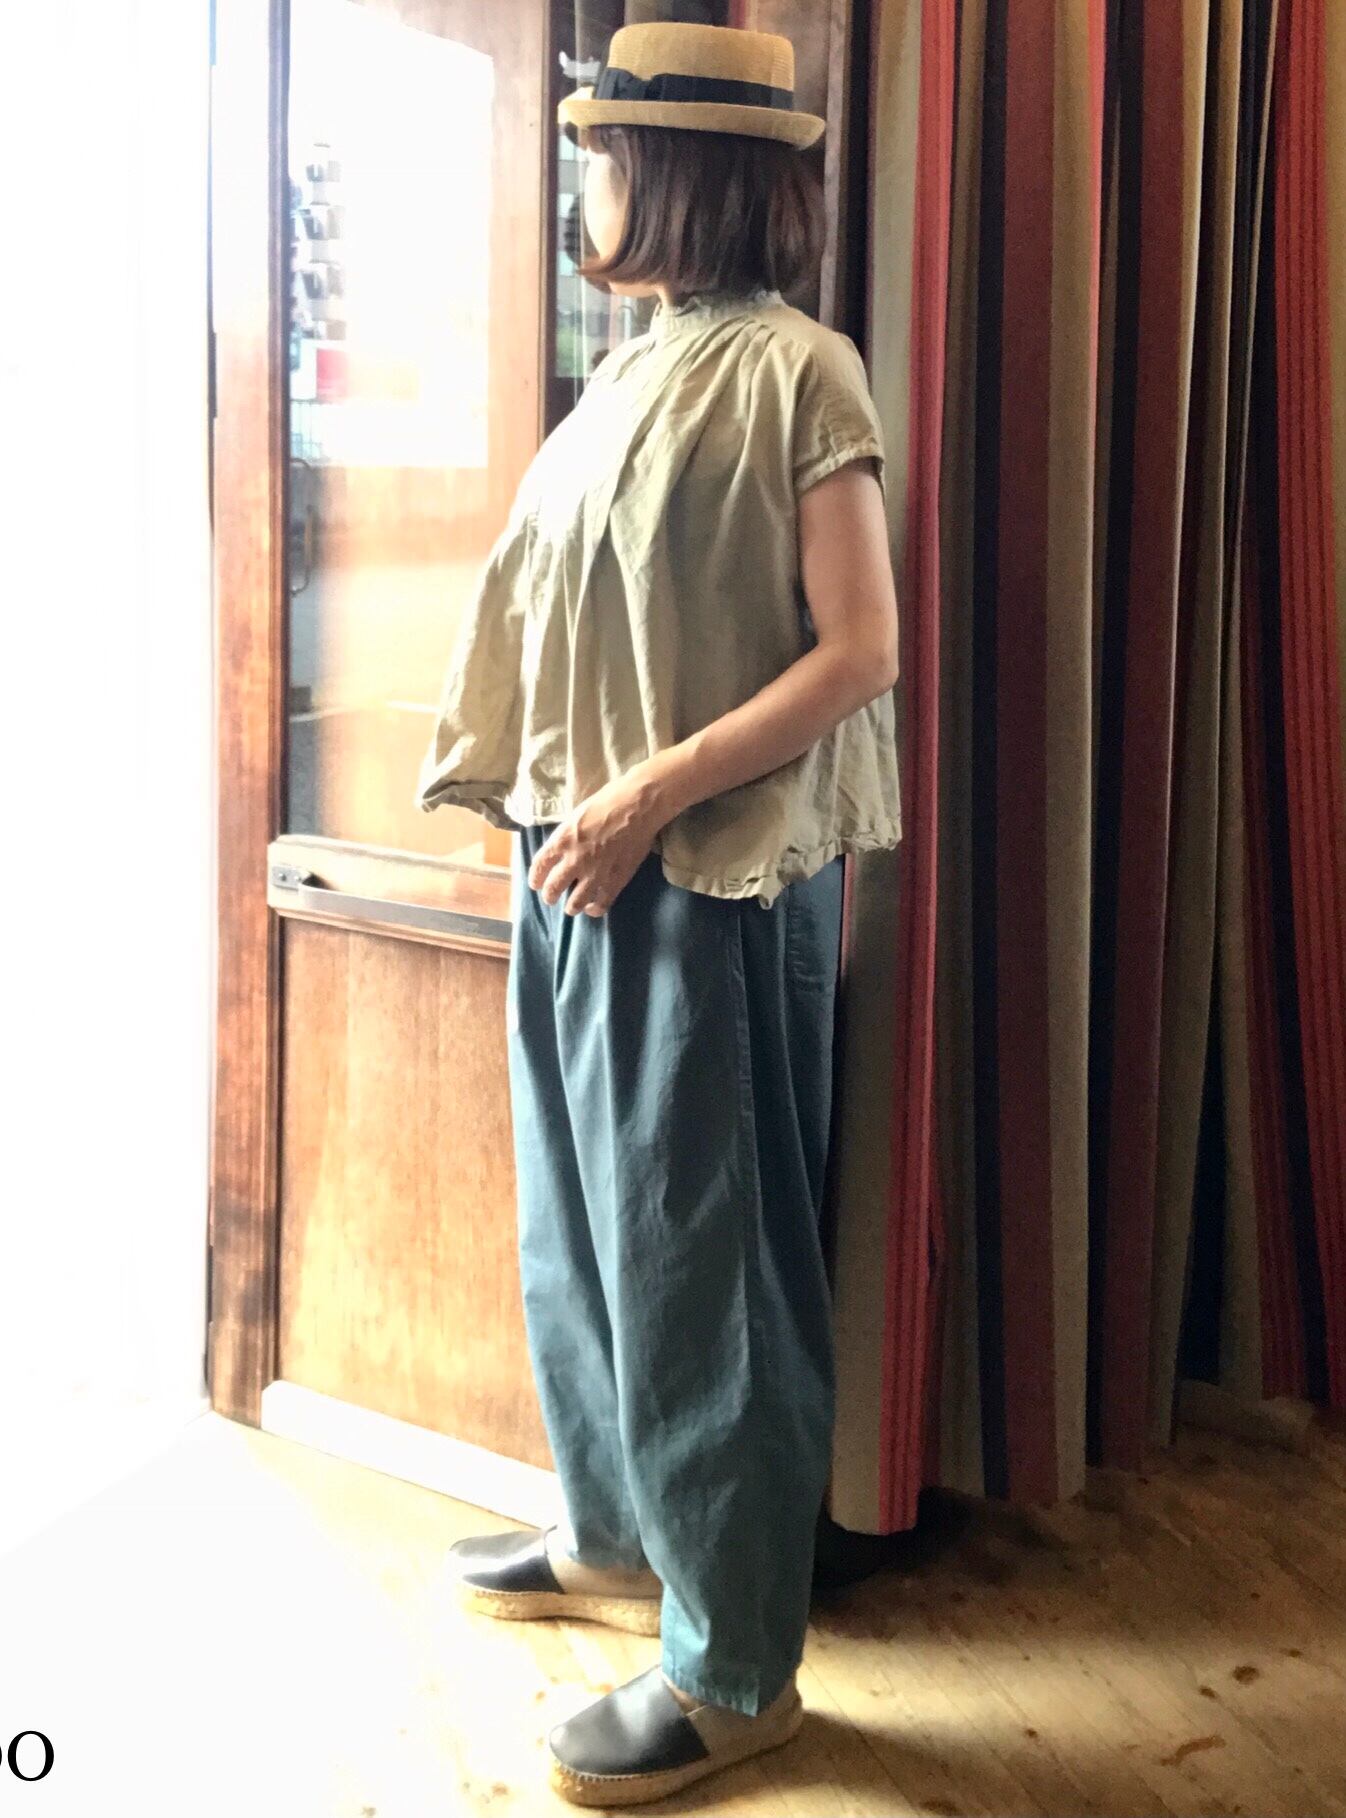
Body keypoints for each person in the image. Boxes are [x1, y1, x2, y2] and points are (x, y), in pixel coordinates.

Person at [413, 20, 903, 1809]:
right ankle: (618, 1536)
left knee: (707, 1269)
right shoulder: (629, 367)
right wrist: (558, 798)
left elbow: (861, 650)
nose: (588, 188)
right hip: (581, 863)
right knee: (586, 1232)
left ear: (679, 170)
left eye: (606, 156)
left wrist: (641, 796)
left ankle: (735, 1669)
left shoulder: (800, 371)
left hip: (702, 875)